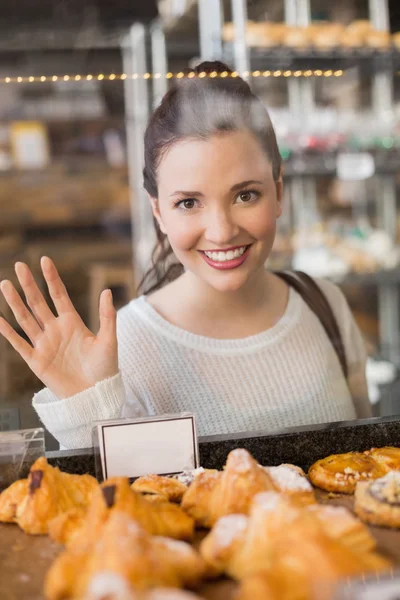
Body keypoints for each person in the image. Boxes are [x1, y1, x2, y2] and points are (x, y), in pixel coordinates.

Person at [0, 61, 371, 450]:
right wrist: (85, 417)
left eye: (246, 195)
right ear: (158, 211)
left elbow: (374, 468)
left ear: (278, 192)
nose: (222, 230)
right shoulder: (122, 349)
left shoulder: (325, 305)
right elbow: (115, 505)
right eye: (189, 202)